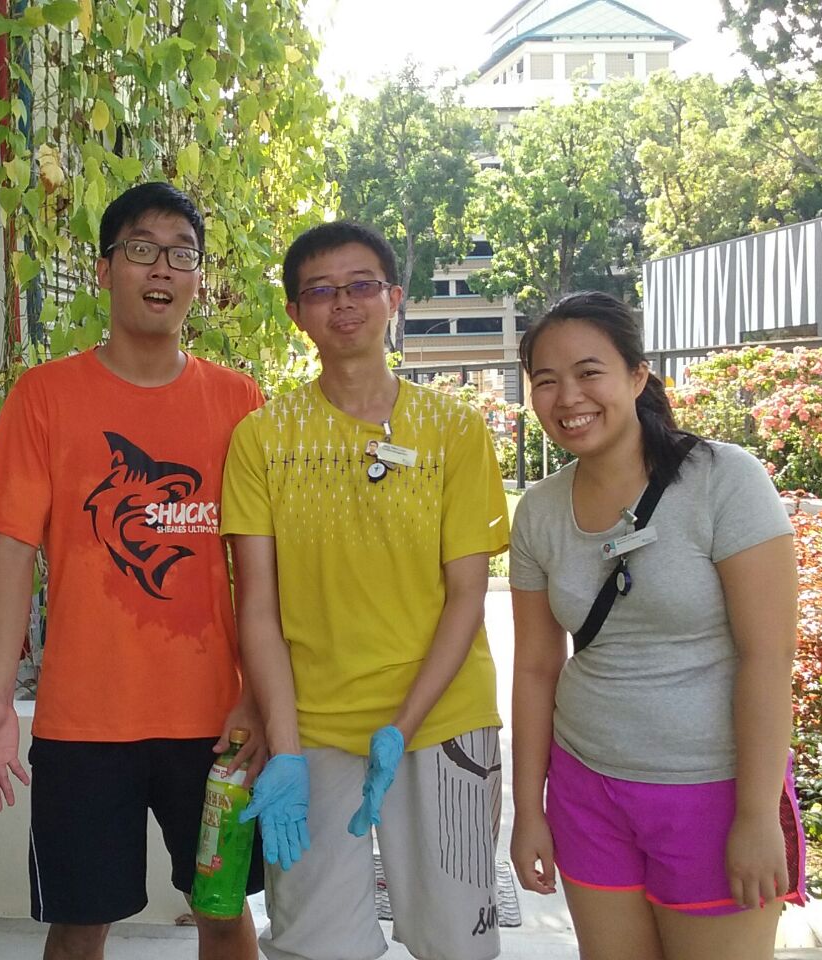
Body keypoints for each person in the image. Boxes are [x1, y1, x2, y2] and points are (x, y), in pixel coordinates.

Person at [0, 181, 267, 960]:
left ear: (198, 278)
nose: (161, 268)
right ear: (104, 270)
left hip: (215, 722)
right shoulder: (46, 396)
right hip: (84, 721)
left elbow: (263, 571)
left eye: (181, 254)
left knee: (223, 911)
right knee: (79, 923)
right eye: (140, 250)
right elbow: (11, 549)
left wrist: (259, 696)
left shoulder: (238, 401)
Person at [223, 221, 512, 960]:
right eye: (320, 291)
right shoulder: (263, 437)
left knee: (457, 944)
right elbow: (258, 606)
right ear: (296, 312)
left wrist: (403, 725)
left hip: (443, 720)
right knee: (314, 945)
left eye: (361, 286)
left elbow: (466, 596)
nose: (343, 304)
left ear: (394, 298)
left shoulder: (453, 430)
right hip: (313, 728)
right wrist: (284, 750)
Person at [508, 291, 806, 960]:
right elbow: (535, 667)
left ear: (637, 375)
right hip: (586, 789)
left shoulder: (724, 479)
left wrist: (757, 815)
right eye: (546, 380)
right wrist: (529, 809)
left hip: (713, 793)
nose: (567, 397)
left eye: (589, 372)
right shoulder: (539, 511)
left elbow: (768, 656)